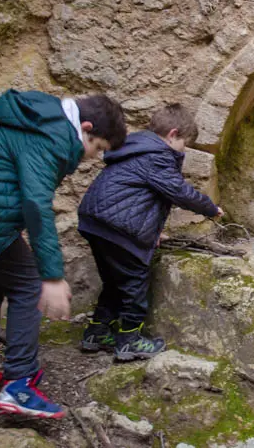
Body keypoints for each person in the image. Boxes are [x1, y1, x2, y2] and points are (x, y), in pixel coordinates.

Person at [0, 89, 127, 419]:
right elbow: (36, 204)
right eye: (97, 147)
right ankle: (19, 383)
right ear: (85, 128)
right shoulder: (54, 135)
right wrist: (53, 276)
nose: (92, 157)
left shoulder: (35, 118)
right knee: (29, 288)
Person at [77, 103, 222, 361]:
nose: (183, 151)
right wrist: (210, 208)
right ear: (173, 134)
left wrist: (152, 231)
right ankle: (130, 340)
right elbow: (178, 191)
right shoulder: (158, 155)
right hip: (117, 227)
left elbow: (138, 197)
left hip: (97, 222)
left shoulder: (136, 150)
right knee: (134, 283)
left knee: (114, 282)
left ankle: (96, 333)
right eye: (184, 144)